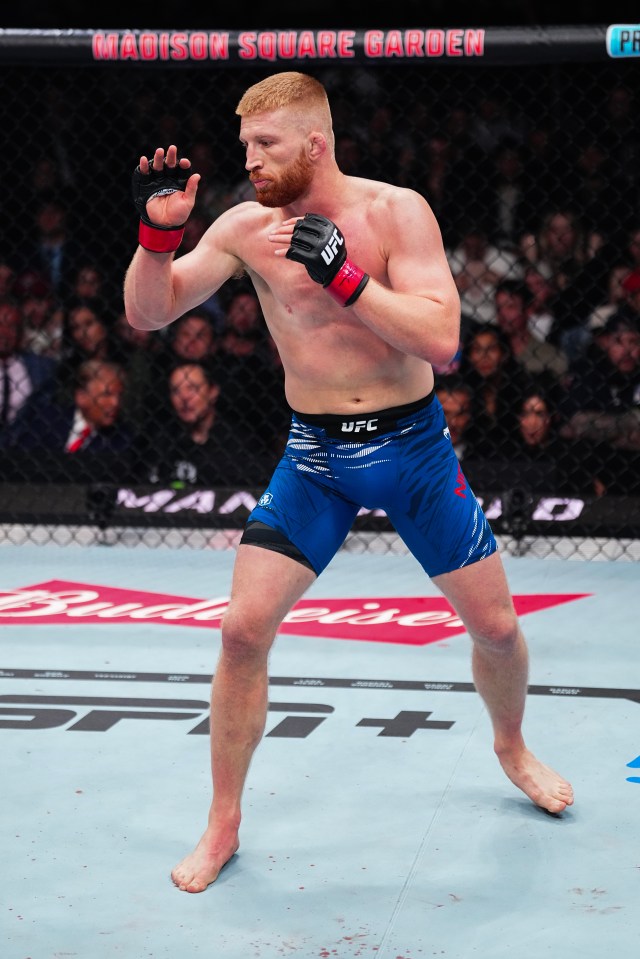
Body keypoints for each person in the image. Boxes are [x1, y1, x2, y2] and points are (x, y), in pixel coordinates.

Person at [123, 71, 573, 894]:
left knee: (500, 630)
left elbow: (443, 340)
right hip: (315, 459)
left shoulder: (395, 212)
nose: (250, 162)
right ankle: (224, 820)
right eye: (244, 147)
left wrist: (347, 280)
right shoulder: (244, 226)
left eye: (265, 146)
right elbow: (151, 314)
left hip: (415, 452)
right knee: (240, 631)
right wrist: (158, 241)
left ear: (313, 144)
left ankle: (510, 744)